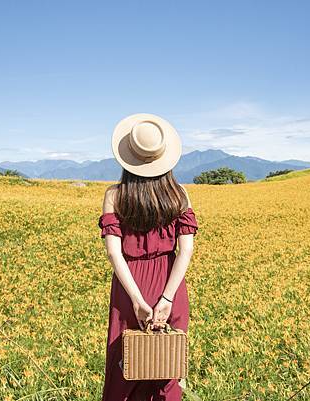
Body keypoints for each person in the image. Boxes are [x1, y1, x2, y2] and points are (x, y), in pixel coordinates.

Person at [98, 113, 199, 401]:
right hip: (170, 281)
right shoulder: (179, 194)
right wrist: (166, 299)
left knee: (125, 366)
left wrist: (137, 301)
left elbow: (113, 252)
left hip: (130, 285)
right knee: (166, 367)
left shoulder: (114, 195)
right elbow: (186, 250)